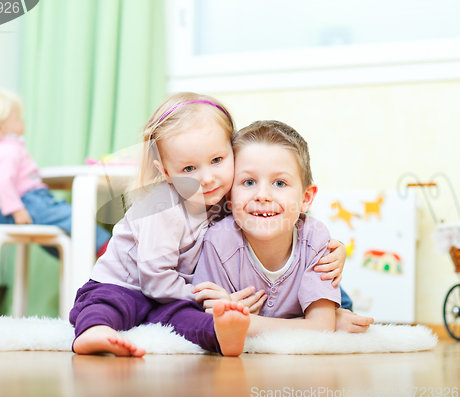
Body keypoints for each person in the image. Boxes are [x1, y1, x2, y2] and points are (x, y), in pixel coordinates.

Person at [68, 93, 348, 357]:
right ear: (166, 172)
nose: (207, 178)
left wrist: (335, 250)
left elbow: (287, 229)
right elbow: (154, 279)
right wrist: (201, 296)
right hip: (129, 284)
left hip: (171, 295)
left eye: (217, 160)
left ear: (233, 154)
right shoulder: (161, 207)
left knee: (190, 320)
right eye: (189, 169)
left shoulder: (225, 198)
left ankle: (222, 336)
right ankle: (93, 332)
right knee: (107, 304)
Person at [151, 120, 373, 352]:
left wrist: (248, 322)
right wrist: (311, 325)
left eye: (279, 183)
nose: (263, 195)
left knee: (345, 309)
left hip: (309, 294)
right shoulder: (218, 240)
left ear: (306, 197)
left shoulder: (316, 237)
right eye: (248, 182)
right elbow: (212, 322)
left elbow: (320, 326)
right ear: (230, 195)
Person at [0, 88, 111, 258]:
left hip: (19, 205)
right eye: (18, 118)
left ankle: (78, 257)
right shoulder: (7, 150)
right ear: (3, 126)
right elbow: (2, 182)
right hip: (28, 203)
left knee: (58, 230)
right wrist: (15, 209)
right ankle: (105, 249)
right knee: (74, 216)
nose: (22, 123)